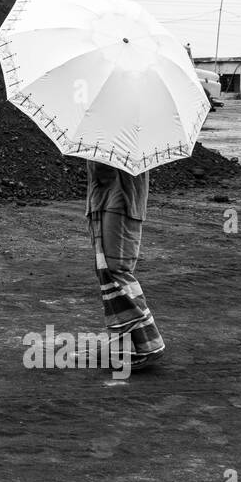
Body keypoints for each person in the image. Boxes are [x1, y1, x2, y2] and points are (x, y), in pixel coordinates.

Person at [85, 159, 165, 371]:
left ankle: (147, 344)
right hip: (104, 199)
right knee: (106, 271)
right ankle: (120, 345)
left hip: (119, 201)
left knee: (116, 270)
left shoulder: (128, 133)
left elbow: (107, 169)